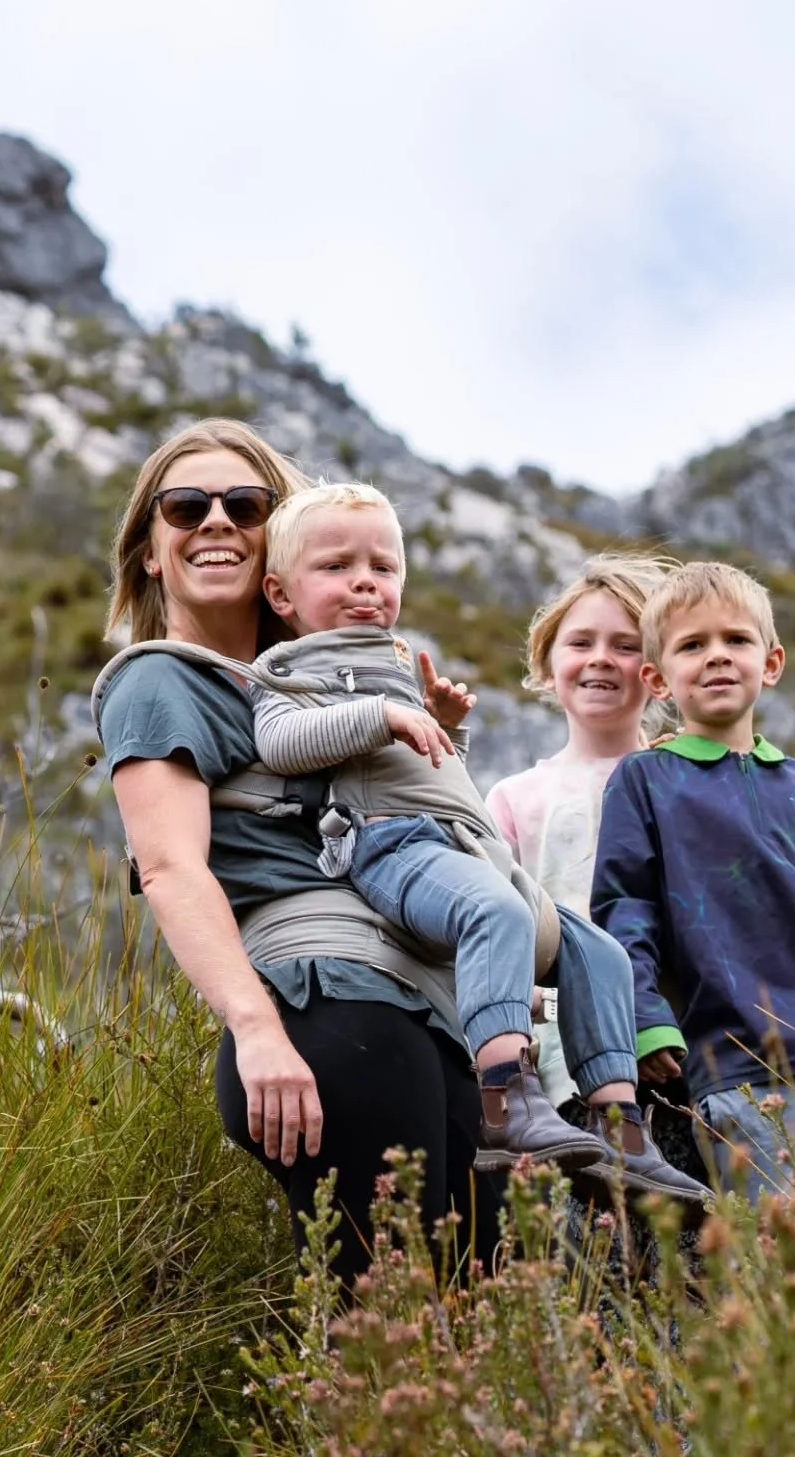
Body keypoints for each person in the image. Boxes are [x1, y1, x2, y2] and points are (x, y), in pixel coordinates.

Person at [94, 421, 508, 1288]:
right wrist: (257, 1030)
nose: (215, 521)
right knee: (388, 1321)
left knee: (472, 1315)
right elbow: (173, 869)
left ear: (278, 555)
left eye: (244, 505)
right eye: (185, 506)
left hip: (424, 1012)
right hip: (328, 1010)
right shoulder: (160, 680)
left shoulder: (309, 693)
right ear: (150, 554)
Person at [252, 481, 706, 1206]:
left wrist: (438, 726)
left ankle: (622, 1128)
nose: (365, 581)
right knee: (495, 913)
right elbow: (279, 742)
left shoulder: (393, 662)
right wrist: (381, 718)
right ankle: (506, 1099)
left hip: (452, 841)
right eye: (337, 567)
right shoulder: (291, 669)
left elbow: (430, 779)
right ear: (280, 594)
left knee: (599, 953)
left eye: (383, 567)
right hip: (383, 845)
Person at [591, 560, 795, 1202]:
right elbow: (624, 908)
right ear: (657, 678)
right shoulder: (645, 781)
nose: (717, 656)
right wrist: (643, 1019)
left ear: (771, 662)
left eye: (735, 640)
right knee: (776, 1242)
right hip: (733, 1058)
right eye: (692, 645)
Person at [485, 555, 673, 1107]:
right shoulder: (514, 799)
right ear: (547, 665)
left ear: (658, 672)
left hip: (685, 1054)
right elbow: (499, 944)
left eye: (625, 644)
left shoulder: (684, 782)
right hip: (567, 1071)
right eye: (580, 642)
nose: (601, 659)